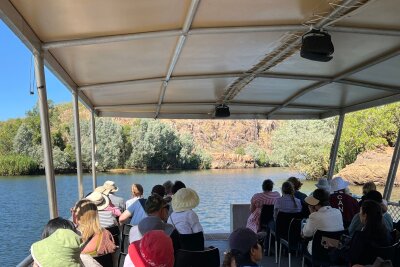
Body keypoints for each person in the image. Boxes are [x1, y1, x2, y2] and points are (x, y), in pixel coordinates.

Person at [349, 200, 392, 265]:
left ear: (365, 215)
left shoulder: (360, 237)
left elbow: (352, 258)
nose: (359, 215)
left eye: (360, 213)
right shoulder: (387, 233)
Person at [302, 188, 344, 254]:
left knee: (304, 241)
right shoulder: (338, 212)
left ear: (314, 203)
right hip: (334, 249)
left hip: (318, 250)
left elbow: (306, 234)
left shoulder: (314, 216)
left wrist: (312, 213)